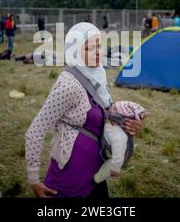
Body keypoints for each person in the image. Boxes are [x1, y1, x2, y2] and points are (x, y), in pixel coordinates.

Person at [25, 22, 147, 198]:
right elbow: (35, 131)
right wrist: (34, 180)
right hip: (68, 178)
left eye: (99, 45)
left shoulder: (98, 73)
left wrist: (130, 121)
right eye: (90, 48)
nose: (98, 52)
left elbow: (107, 114)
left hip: (96, 173)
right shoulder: (68, 85)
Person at [93, 101, 149, 183]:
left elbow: (118, 155)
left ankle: (98, 178)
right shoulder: (110, 122)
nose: (111, 108)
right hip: (104, 144)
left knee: (106, 168)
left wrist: (115, 168)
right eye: (114, 106)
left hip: (112, 157)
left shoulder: (119, 136)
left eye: (115, 108)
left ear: (120, 117)